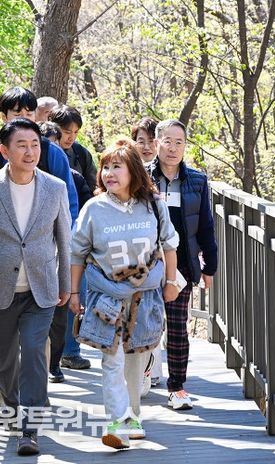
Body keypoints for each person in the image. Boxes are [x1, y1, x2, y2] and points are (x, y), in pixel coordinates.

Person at [0, 118, 71, 456]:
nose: (30, 151)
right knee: (5, 356)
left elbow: (64, 239)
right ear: (5, 151)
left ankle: (29, 429)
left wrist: (67, 284)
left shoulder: (54, 187)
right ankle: (9, 406)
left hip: (42, 288)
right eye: (21, 145)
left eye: (35, 144)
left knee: (35, 352)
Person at [69, 138, 179, 448]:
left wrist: (171, 282)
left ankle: (133, 416)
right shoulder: (94, 208)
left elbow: (169, 245)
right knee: (112, 359)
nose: (109, 173)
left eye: (117, 167)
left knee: (136, 359)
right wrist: (74, 292)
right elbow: (77, 253)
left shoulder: (153, 205)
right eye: (105, 167)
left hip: (145, 294)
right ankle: (117, 422)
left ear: (133, 171)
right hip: (106, 295)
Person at [146, 119, 218, 410]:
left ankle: (177, 387)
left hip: (183, 266)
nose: (173, 148)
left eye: (179, 142)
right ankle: (143, 374)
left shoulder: (197, 181)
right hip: (146, 264)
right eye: (168, 141)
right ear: (156, 143)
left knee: (177, 328)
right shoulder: (141, 176)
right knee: (146, 324)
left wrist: (209, 267)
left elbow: (206, 227)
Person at [0, 86, 78, 222]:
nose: (24, 120)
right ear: (4, 117)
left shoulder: (53, 153)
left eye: (29, 114)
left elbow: (69, 202)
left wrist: (66, 232)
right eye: (17, 115)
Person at [47, 105, 98, 372]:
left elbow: (92, 190)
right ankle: (50, 353)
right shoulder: (43, 151)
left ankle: (71, 349)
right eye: (66, 131)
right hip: (45, 235)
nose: (70, 137)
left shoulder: (81, 155)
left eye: (76, 132)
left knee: (75, 291)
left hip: (76, 231)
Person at [132, 116, 162, 388]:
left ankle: (153, 371)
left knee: (156, 315)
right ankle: (142, 374)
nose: (146, 147)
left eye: (152, 141)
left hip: (161, 256)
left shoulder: (165, 172)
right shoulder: (124, 172)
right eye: (140, 141)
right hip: (132, 259)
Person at [48, 105, 98, 192]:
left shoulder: (81, 153)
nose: (72, 138)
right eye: (67, 132)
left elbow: (94, 187)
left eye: (76, 132)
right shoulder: (41, 152)